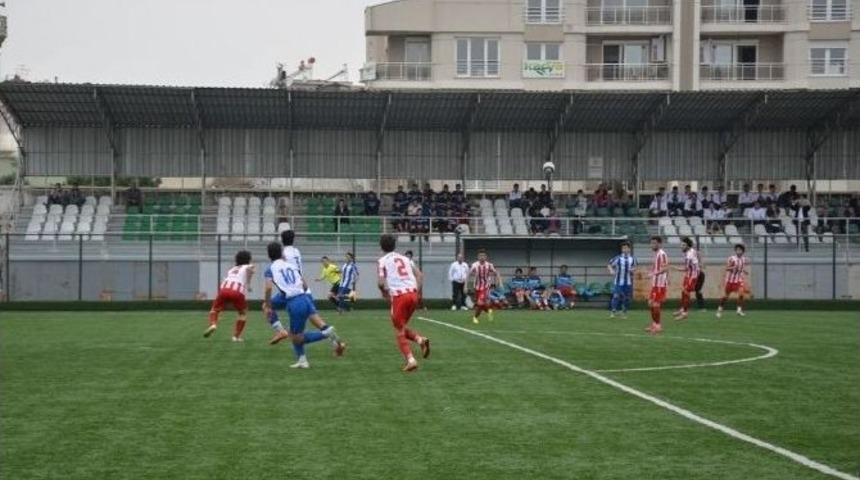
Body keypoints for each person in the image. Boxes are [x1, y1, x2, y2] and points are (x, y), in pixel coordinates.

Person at [263, 243, 343, 369]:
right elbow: (305, 286)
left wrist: (268, 303)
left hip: (294, 303)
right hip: (305, 298)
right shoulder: (291, 266)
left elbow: (268, 287)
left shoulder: (270, 269)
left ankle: (326, 333)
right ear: (281, 253)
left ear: (269, 256)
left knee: (296, 338)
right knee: (296, 333)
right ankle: (302, 360)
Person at [279, 231, 346, 352]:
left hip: (295, 292)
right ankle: (336, 341)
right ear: (293, 240)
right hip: (305, 290)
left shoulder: (283, 254)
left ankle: (302, 358)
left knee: (296, 332)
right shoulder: (296, 252)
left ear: (281, 240)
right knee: (316, 320)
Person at [377, 234, 431, 372]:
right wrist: (416, 293)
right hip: (412, 295)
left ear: (381, 246)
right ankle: (421, 340)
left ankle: (411, 360)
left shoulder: (382, 261)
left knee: (399, 330)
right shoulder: (406, 258)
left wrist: (383, 292)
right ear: (395, 245)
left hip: (399, 296)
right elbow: (420, 275)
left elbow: (381, 282)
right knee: (401, 325)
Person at [203, 250, 255, 342]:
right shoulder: (247, 266)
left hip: (224, 288)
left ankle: (213, 324)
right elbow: (250, 268)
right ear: (248, 259)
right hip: (237, 290)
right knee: (242, 313)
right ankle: (236, 337)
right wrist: (249, 284)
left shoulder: (232, 269)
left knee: (214, 310)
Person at [469, 249, 501, 324]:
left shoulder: (489, 265)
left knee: (480, 303)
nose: (482, 257)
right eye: (480, 256)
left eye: (483, 255)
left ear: (486, 257)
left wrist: (499, 282)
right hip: (476, 287)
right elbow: (468, 274)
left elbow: (496, 273)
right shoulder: (475, 265)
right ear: (478, 257)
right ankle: (488, 310)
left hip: (485, 287)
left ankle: (475, 318)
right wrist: (465, 286)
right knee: (479, 304)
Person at [717, 244, 749, 318]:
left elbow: (741, 268)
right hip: (730, 280)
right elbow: (727, 268)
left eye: (740, 250)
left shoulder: (744, 259)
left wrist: (744, 271)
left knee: (741, 293)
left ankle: (739, 310)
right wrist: (733, 267)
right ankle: (719, 310)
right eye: (737, 250)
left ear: (743, 251)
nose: (738, 251)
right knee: (725, 297)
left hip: (738, 280)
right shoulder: (732, 259)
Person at [647, 236, 670, 334]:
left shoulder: (662, 254)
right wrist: (650, 272)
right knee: (650, 303)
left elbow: (665, 269)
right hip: (655, 284)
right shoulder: (657, 254)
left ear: (660, 244)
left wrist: (654, 273)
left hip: (660, 284)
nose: (652, 245)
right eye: (651, 243)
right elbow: (656, 268)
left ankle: (658, 326)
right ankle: (654, 324)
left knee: (655, 304)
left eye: (654, 243)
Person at [673, 237, 700, 321]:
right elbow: (698, 255)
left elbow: (686, 268)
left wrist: (675, 268)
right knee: (683, 291)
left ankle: (685, 313)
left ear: (688, 246)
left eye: (683, 245)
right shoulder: (691, 251)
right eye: (681, 245)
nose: (681, 246)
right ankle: (682, 309)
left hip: (692, 275)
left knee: (686, 292)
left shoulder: (688, 256)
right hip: (689, 274)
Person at [607, 241, 637, 318]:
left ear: (629, 249)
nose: (624, 249)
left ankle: (624, 312)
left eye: (626, 248)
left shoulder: (632, 259)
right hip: (618, 281)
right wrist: (611, 270)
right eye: (623, 248)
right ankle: (613, 311)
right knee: (616, 296)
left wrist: (633, 270)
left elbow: (635, 267)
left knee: (626, 298)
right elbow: (609, 264)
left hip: (628, 282)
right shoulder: (618, 258)